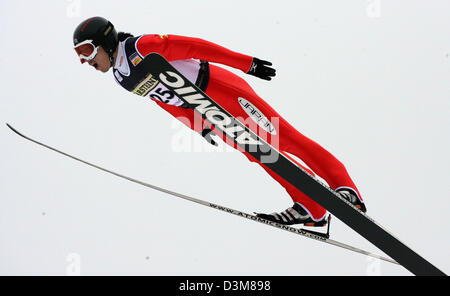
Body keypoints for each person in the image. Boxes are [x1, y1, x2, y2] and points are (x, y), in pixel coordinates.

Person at [73, 16, 366, 227]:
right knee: (263, 155)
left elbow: (196, 47)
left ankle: (345, 187)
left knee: (282, 136)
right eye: (79, 55)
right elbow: (163, 100)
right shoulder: (122, 77)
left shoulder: (142, 47)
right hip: (203, 109)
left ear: (104, 41)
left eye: (86, 51)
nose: (85, 61)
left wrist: (245, 63)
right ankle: (311, 207)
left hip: (218, 87)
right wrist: (196, 124)